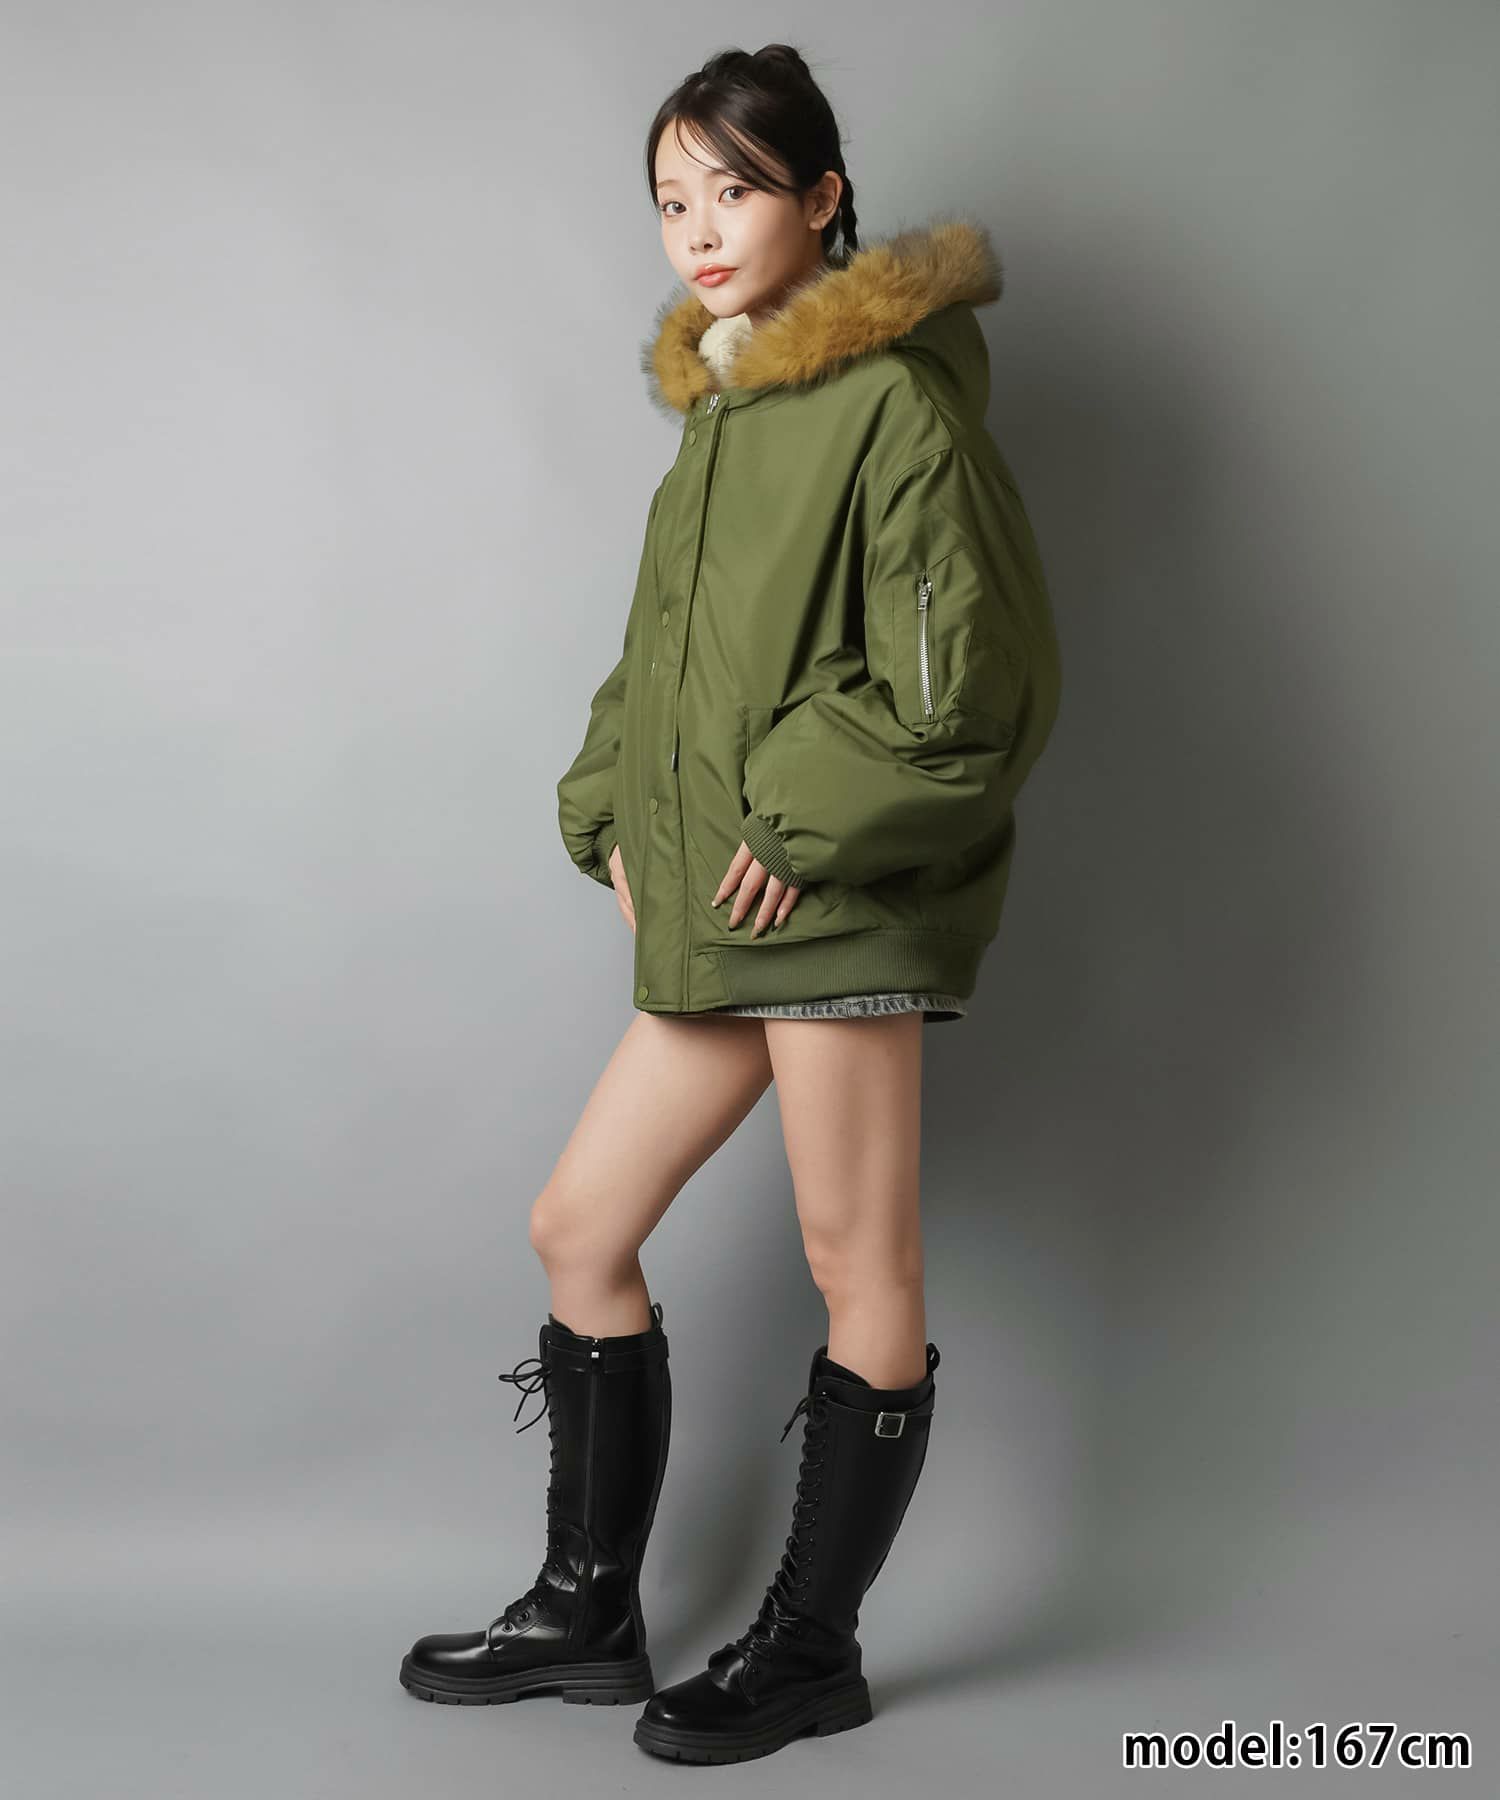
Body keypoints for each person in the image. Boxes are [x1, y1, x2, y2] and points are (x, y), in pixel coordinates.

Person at [398, 42, 1062, 1766]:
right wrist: (611, 812)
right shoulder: (725, 412)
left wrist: (801, 820)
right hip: (722, 903)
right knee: (580, 1227)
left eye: (736, 190)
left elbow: (969, 692)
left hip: (838, 899)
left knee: (860, 1261)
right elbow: (660, 670)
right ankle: (589, 1611)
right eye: (670, 200)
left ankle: (810, 1651)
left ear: (823, 198)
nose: (698, 230)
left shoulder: (894, 406)